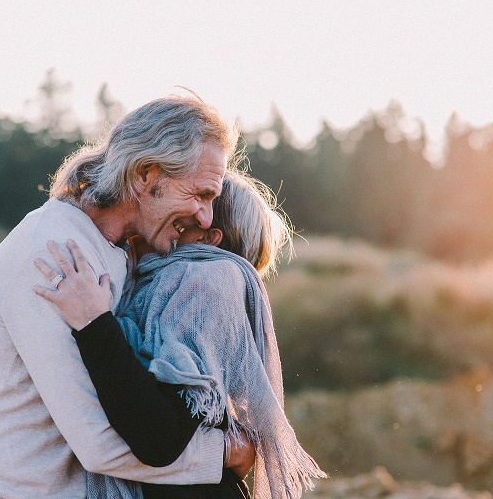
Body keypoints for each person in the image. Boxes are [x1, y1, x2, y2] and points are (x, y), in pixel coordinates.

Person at [0, 95, 255, 499]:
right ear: (145, 175)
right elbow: (100, 444)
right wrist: (223, 451)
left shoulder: (121, 249)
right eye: (200, 195)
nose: (207, 218)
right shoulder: (54, 255)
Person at [34, 170, 327, 498]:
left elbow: (159, 438)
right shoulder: (156, 283)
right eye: (192, 197)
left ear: (207, 238)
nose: (192, 207)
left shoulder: (205, 285)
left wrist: (94, 322)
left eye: (201, 201)